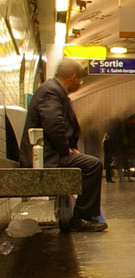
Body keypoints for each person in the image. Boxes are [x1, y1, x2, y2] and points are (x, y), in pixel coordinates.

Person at [20, 58, 107, 232]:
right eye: (80, 80)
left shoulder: (51, 90)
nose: (80, 84)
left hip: (48, 154)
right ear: (73, 76)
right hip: (47, 157)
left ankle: (82, 215)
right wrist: (65, 149)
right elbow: (53, 124)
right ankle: (81, 218)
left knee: (88, 163)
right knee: (93, 165)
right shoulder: (51, 91)